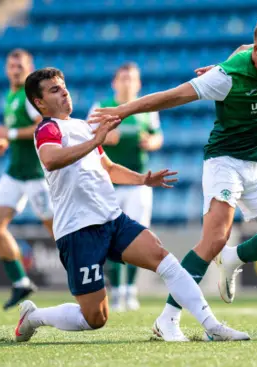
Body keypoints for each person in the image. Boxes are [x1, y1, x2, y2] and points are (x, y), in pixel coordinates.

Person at [89, 17, 257, 341]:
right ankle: (168, 320)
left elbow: (245, 48)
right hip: (226, 162)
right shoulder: (226, 78)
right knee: (215, 237)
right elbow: (171, 97)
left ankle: (235, 257)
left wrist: (228, 60)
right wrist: (125, 110)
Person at [14, 67, 249, 343]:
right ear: (39, 102)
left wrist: (142, 179)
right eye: (54, 89)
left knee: (164, 258)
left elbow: (109, 168)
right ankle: (34, 317)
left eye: (63, 86)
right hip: (78, 230)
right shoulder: (47, 129)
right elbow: (52, 159)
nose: (64, 91)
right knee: (95, 319)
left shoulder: (80, 126)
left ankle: (212, 325)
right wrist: (96, 140)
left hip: (112, 219)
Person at [87, 62, 163, 312]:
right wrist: (104, 138)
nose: (127, 82)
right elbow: (86, 136)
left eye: (132, 78)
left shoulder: (147, 108)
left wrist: (150, 142)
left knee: (137, 236)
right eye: (123, 78)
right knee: (109, 237)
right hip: (108, 182)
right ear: (115, 82)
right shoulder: (102, 107)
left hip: (139, 181)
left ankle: (130, 290)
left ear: (138, 84)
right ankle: (116, 290)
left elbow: (157, 136)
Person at [0, 49, 55, 310]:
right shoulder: (10, 95)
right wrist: (4, 142)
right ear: (6, 69)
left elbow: (44, 125)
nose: (15, 69)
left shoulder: (28, 95)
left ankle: (86, 274)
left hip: (36, 174)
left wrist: (10, 133)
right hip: (15, 172)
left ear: (29, 68)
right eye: (11, 65)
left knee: (58, 232)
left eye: (20, 65)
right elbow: (14, 133)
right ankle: (21, 282)